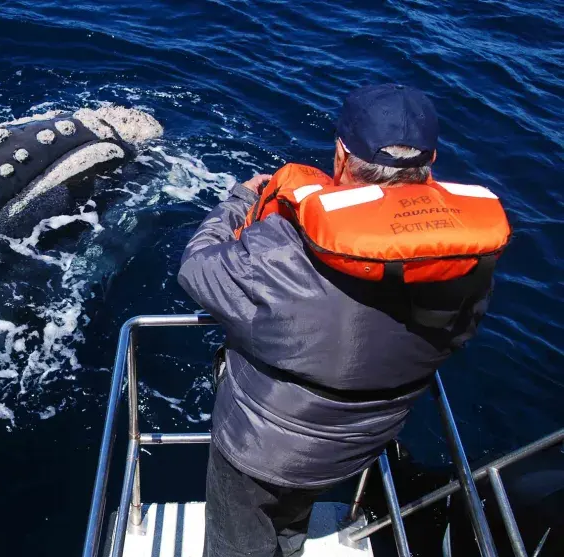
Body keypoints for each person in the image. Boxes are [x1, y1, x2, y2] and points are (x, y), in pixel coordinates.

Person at [177, 84, 511, 557]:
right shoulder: (470, 266)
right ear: (429, 162)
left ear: (340, 156)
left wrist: (238, 201)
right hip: (358, 444)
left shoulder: (284, 247)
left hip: (259, 447)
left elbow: (198, 269)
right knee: (293, 517)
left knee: (238, 542)